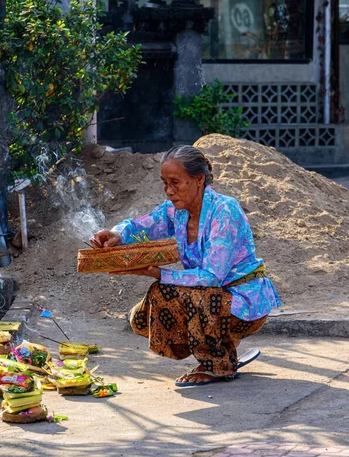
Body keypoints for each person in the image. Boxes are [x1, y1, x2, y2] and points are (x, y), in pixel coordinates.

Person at [90, 145, 281, 387]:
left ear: (199, 179)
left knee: (178, 292)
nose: (168, 191)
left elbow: (212, 277)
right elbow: (142, 225)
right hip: (217, 299)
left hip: (244, 302)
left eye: (175, 182)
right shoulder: (177, 211)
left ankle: (216, 364)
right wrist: (117, 233)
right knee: (142, 317)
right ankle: (223, 348)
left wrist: (159, 273)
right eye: (164, 183)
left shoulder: (224, 211)